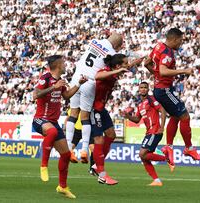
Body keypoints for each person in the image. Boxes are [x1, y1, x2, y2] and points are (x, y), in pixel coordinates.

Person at [144, 28, 200, 169]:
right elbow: (164, 71)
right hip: (164, 90)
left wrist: (156, 75)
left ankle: (168, 147)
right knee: (185, 116)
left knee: (176, 117)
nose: (181, 44)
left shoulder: (158, 46)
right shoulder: (167, 52)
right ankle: (188, 148)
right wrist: (183, 70)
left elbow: (146, 63)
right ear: (174, 39)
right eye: (180, 41)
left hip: (161, 88)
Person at [32, 55, 87, 198]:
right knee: (52, 132)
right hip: (40, 119)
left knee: (66, 154)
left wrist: (79, 84)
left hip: (53, 122)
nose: (65, 65)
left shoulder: (61, 81)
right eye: (63, 63)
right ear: (57, 65)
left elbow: (67, 96)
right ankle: (44, 165)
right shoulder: (46, 78)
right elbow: (35, 95)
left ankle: (62, 186)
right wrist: (52, 87)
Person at [66, 32, 124, 163]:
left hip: (76, 78)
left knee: (73, 114)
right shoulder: (112, 53)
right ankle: (84, 150)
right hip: (89, 81)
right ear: (117, 45)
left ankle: (68, 148)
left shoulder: (94, 41)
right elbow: (114, 66)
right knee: (85, 117)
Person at [91, 54, 143, 185]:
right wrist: (118, 71)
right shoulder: (106, 71)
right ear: (118, 66)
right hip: (92, 108)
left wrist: (138, 61)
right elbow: (97, 76)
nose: (127, 65)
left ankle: (97, 165)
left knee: (111, 135)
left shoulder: (115, 71)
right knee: (99, 139)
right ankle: (101, 173)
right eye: (125, 63)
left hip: (101, 108)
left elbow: (128, 66)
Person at [123, 81, 172, 186]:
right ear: (139, 89)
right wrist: (128, 116)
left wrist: (162, 127)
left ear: (148, 89)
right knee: (144, 157)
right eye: (141, 87)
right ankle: (156, 180)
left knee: (142, 154)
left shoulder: (151, 99)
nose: (143, 89)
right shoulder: (140, 105)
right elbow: (136, 120)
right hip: (149, 132)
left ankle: (167, 158)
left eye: (145, 87)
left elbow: (162, 110)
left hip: (155, 131)